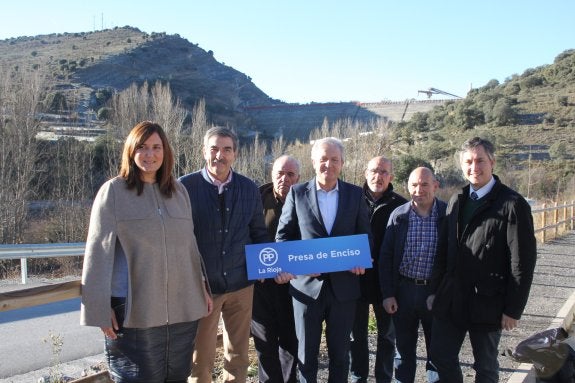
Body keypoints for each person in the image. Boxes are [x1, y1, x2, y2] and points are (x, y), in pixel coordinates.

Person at [80, 121, 212, 383]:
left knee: (177, 376)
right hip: (134, 311)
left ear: (166, 152)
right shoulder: (114, 192)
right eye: (142, 147)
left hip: (182, 308)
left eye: (156, 147)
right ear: (131, 150)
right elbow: (97, 252)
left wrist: (202, 287)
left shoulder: (178, 192)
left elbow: (190, 246)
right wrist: (99, 307)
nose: (150, 154)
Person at [429, 137, 537, 383]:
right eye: (468, 161)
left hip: (488, 300)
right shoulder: (458, 200)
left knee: (486, 367)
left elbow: (522, 261)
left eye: (480, 161)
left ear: (492, 162)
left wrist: (513, 309)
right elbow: (443, 251)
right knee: (441, 357)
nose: (474, 167)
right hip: (452, 297)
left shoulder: (513, 204)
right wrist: (436, 291)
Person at [275, 137, 371, 383]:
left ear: (342, 163)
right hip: (306, 290)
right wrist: (301, 265)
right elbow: (283, 238)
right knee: (306, 357)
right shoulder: (297, 193)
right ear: (313, 162)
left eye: (334, 159)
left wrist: (362, 259)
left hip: (345, 288)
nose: (328, 164)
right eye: (323, 159)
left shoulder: (355, 194)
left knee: (340, 356)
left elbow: (365, 237)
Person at [179, 126, 268, 383]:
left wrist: (263, 268)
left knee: (238, 356)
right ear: (204, 152)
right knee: (200, 358)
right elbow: (180, 241)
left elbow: (258, 233)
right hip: (203, 287)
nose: (220, 155)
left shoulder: (249, 188)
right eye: (214, 149)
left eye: (226, 149)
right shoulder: (185, 187)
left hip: (242, 284)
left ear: (235, 154)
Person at [379, 167, 446, 383]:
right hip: (404, 292)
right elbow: (386, 258)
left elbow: (454, 260)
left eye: (425, 184)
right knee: (403, 353)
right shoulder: (398, 216)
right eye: (414, 185)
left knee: (438, 354)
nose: (419, 190)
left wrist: (440, 292)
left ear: (435, 186)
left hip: (434, 293)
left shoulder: (448, 215)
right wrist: (388, 294)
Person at [350, 156, 407, 383]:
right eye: (374, 170)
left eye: (384, 172)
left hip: (387, 284)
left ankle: (383, 378)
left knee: (386, 335)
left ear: (391, 177)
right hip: (355, 279)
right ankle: (357, 378)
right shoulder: (351, 199)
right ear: (365, 173)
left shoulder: (402, 206)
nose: (378, 176)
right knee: (356, 336)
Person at [251, 154, 301, 383]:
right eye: (280, 173)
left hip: (293, 285)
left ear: (298, 177)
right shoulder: (256, 198)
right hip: (261, 286)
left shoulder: (305, 200)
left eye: (290, 174)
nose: (284, 179)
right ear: (272, 175)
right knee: (265, 343)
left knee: (290, 343)